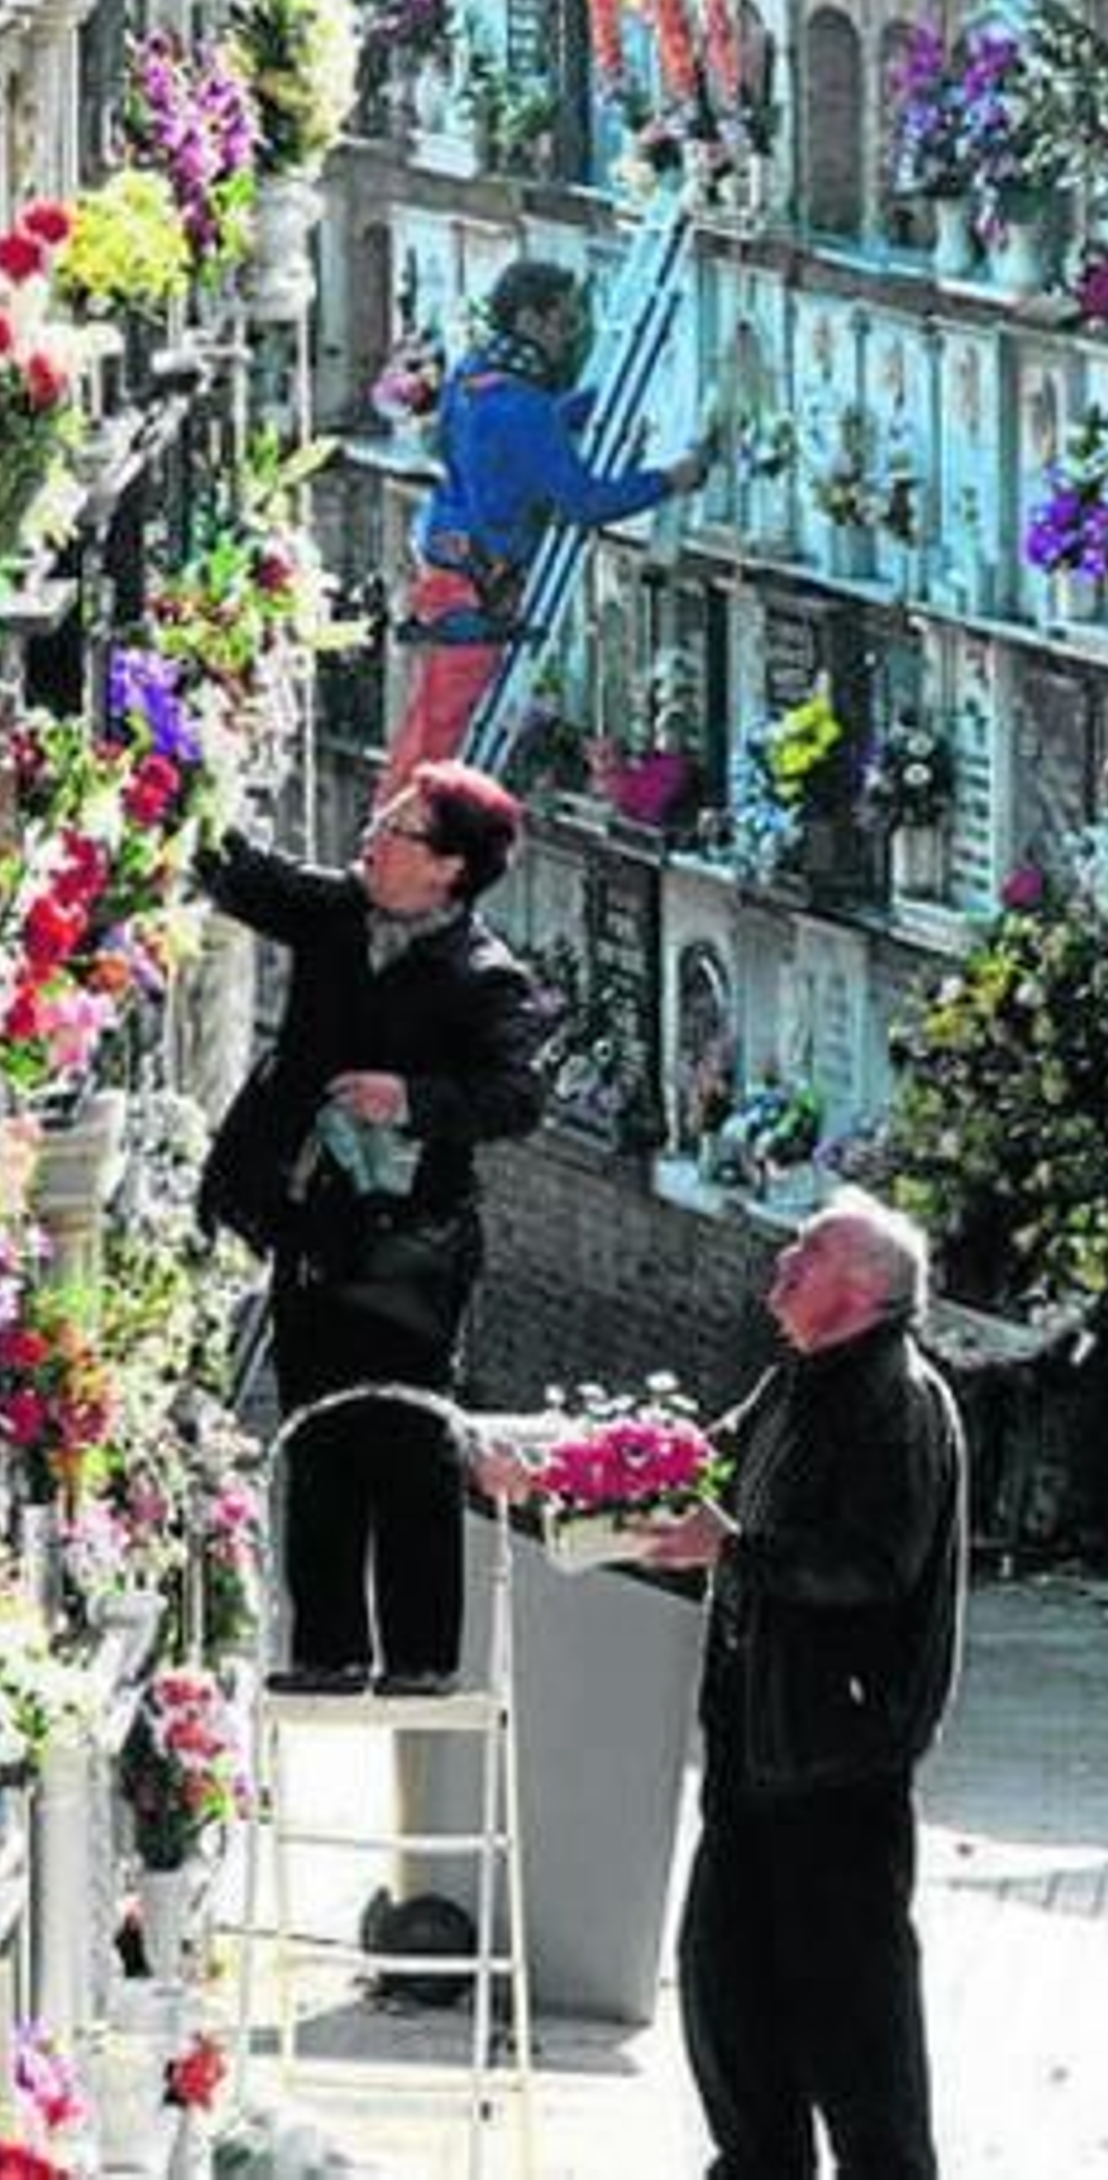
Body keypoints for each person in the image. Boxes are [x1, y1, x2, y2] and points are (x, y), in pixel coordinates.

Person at [197, 760, 549, 1691]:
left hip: (411, 1244)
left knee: (404, 1432)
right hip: (309, 1222)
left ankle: (422, 1659)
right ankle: (327, 1651)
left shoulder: (485, 979)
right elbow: (247, 876)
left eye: (396, 831)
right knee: (316, 1427)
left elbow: (516, 1099)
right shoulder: (338, 915)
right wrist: (181, 768)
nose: (371, 839)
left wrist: (412, 1099)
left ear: (447, 868)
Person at [644, 1188, 966, 2180]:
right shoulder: (797, 1379)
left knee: (853, 2018)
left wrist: (734, 1550)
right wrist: (586, 1471)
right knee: (726, 1988)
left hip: (837, 1756)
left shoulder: (896, 1400)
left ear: (863, 1289)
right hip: (754, 1747)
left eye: (808, 1252)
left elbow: (874, 1564)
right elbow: (703, 1462)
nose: (782, 1264)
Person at [381, 257, 715, 798]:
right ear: (529, 319)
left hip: (448, 559)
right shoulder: (521, 405)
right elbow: (585, 502)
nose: (569, 336)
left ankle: (399, 826)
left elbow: (515, 438)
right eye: (562, 322)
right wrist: (670, 479)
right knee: (445, 736)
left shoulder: (473, 374)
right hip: (481, 584)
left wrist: (585, 409)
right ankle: (409, 837)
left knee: (429, 724)